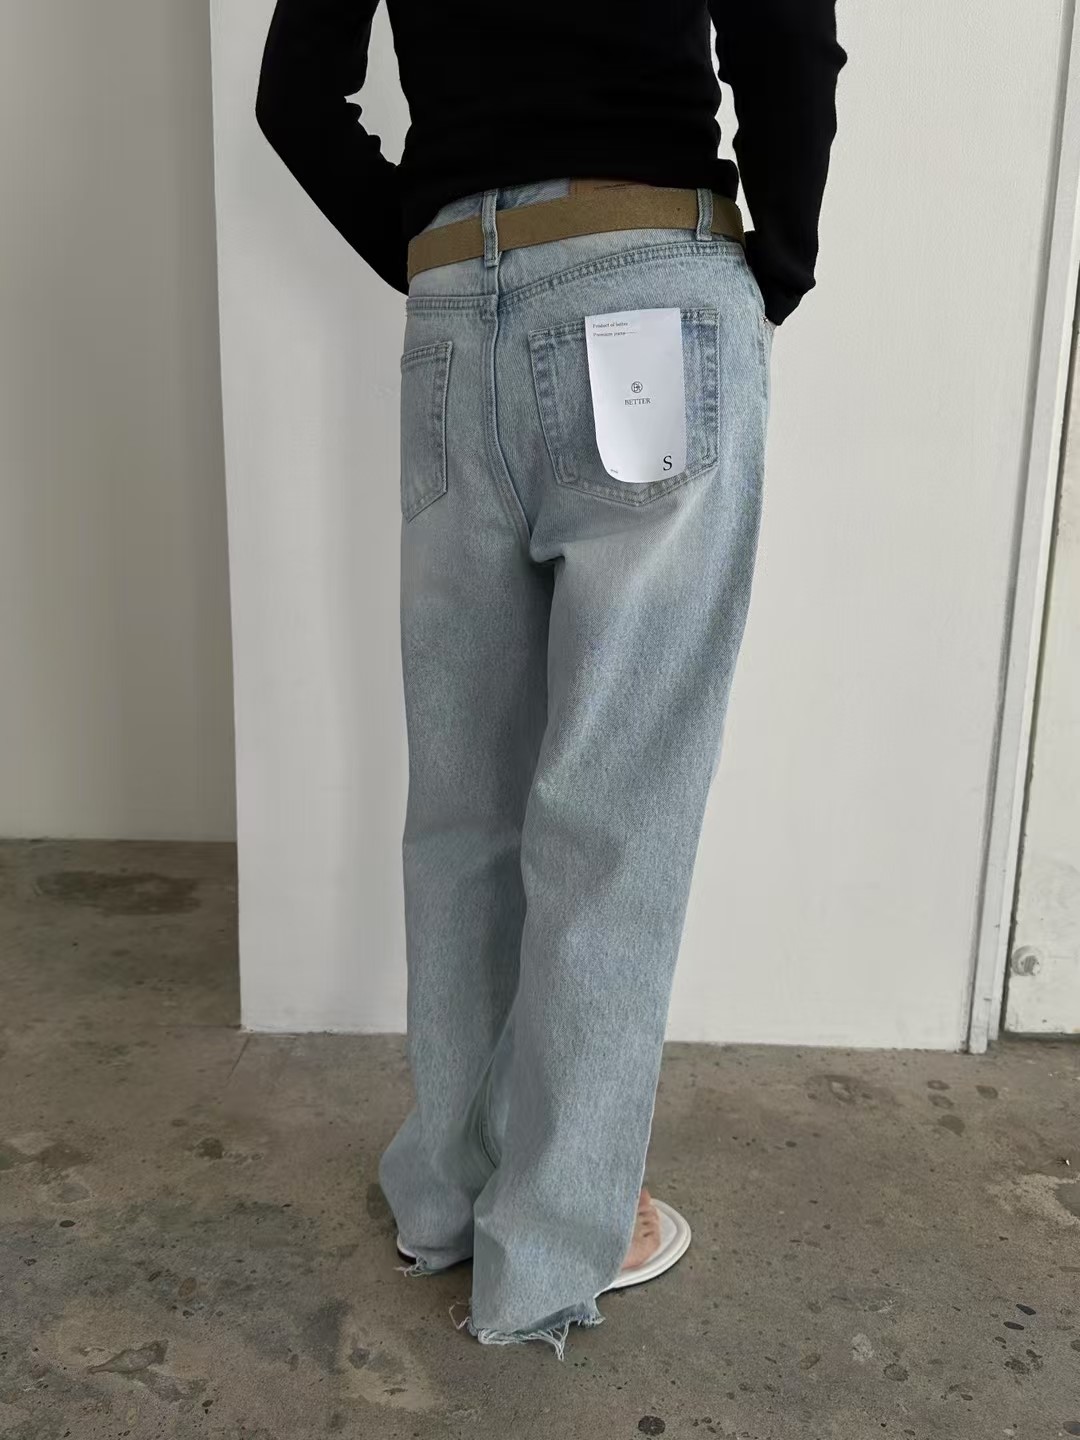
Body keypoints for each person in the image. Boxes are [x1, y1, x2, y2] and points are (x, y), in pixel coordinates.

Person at [255, 0, 845, 1358]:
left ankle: (449, 1196)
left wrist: (437, 252)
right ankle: (557, 1242)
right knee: (614, 809)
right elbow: (785, 30)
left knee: (463, 802)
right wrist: (778, 263)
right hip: (646, 274)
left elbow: (295, 97)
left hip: (455, 310)